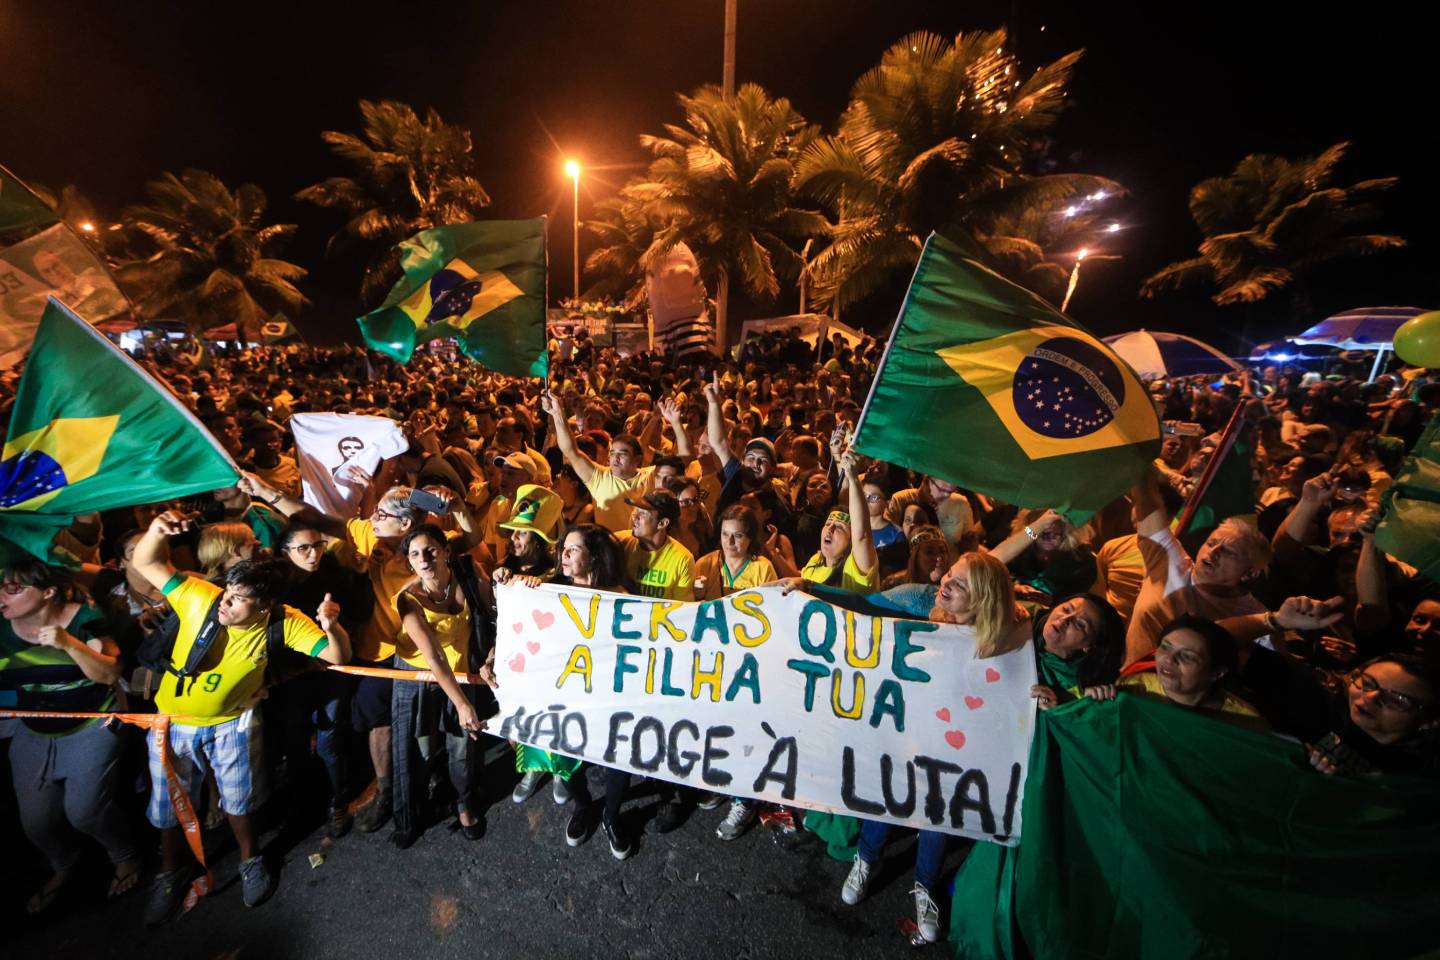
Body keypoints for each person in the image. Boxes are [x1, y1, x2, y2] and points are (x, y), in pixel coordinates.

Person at [128, 510, 349, 923]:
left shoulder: (285, 622)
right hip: (171, 723)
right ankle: (169, 874)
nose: (225, 602)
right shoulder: (199, 596)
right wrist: (157, 531)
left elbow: (337, 656)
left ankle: (250, 860)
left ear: (265, 604)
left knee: (238, 801)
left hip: (234, 722)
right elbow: (145, 563)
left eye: (238, 598)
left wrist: (331, 626)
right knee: (167, 806)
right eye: (228, 592)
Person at [838, 551, 1030, 944]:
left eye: (959, 585)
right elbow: (861, 604)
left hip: (957, 752)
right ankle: (866, 859)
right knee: (886, 800)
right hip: (905, 737)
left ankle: (925, 887)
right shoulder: (919, 606)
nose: (945, 583)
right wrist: (804, 588)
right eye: (951, 575)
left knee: (938, 817)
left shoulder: (1008, 639)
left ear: (982, 602)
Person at [0, 558, 140, 914]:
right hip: (33, 732)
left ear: (48, 593)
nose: (2, 596)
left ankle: (124, 855)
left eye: (13, 589)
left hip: (89, 725)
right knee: (36, 822)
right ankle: (63, 864)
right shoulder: (2, 631)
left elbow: (109, 674)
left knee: (86, 811)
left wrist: (68, 644)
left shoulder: (82, 619)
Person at [390, 524, 493, 847]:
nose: (424, 560)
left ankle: (464, 805)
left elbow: (494, 616)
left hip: (461, 670)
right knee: (418, 747)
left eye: (431, 550)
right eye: (415, 555)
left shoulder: (469, 572)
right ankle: (412, 813)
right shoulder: (408, 599)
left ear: (447, 551)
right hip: (417, 674)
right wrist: (462, 703)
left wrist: (490, 658)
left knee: (463, 743)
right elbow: (434, 656)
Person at [1125, 465, 1272, 664]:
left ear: (1250, 573)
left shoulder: (1257, 618)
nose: (1213, 552)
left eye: (1228, 551)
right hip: (1131, 688)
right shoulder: (1170, 563)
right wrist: (1139, 457)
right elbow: (1148, 504)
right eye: (1211, 543)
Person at [544, 391, 688, 533]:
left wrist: (676, 423)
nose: (615, 459)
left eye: (622, 454)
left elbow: (683, 460)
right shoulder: (599, 477)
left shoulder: (650, 477)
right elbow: (571, 450)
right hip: (610, 553)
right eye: (612, 453)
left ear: (637, 459)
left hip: (642, 553)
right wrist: (558, 414)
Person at [1112, 615, 1263, 721]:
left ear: (1216, 673)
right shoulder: (1134, 687)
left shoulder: (1244, 721)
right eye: (1165, 647)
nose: (1169, 659)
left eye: (1188, 656)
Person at [987, 508, 1099, 604]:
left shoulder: (1083, 562)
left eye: (1059, 517)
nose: (1050, 526)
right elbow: (988, 570)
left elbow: (1076, 603)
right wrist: (1014, 588)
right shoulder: (1018, 547)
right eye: (1042, 520)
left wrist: (1053, 603)